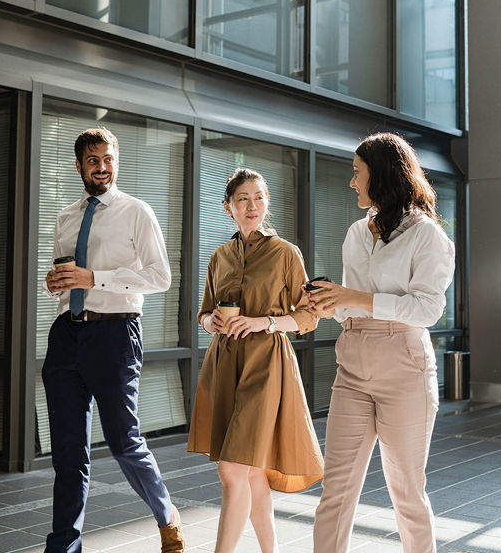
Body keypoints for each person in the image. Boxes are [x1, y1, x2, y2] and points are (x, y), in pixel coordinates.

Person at [308, 132, 455, 553]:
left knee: (406, 490)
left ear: (383, 174)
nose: (351, 182)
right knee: (335, 489)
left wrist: (357, 298)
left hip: (404, 367)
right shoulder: (357, 232)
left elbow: (428, 310)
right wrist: (329, 304)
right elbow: (353, 305)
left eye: (357, 172)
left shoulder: (426, 235)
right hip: (352, 363)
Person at [42, 128, 184, 553]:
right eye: (92, 159)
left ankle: (166, 514)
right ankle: (63, 546)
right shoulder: (66, 217)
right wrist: (58, 282)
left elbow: (161, 277)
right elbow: (66, 276)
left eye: (108, 158)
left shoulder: (136, 211)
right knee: (68, 455)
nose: (101, 166)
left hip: (115, 333)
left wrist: (94, 278)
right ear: (79, 165)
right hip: (67, 334)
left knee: (123, 441)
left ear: (116, 161)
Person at [187, 168, 324, 553]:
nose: (252, 206)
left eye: (259, 198)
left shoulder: (286, 253)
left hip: (267, 366)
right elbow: (202, 313)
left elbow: (309, 316)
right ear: (227, 207)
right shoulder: (220, 256)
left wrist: (265, 321)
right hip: (224, 365)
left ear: (267, 204)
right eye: (243, 199)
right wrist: (209, 320)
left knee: (232, 469)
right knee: (251, 473)